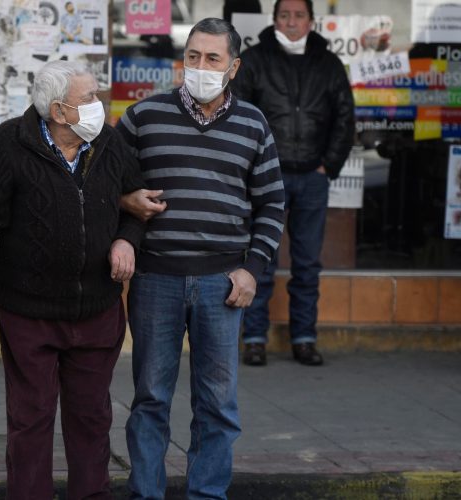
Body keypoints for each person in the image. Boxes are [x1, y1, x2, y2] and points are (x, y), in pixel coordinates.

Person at [116, 18, 285, 499]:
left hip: (222, 284)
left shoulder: (253, 123)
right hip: (155, 280)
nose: (201, 67)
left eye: (213, 59)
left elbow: (272, 202)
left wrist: (253, 269)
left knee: (217, 405)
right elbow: (107, 179)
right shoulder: (143, 117)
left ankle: (206, 494)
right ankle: (146, 493)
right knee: (150, 400)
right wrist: (127, 201)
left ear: (233, 67)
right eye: (193, 56)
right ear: (182, 59)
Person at [0, 60, 145, 499]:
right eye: (89, 99)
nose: (99, 106)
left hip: (97, 309)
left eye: (98, 96)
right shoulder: (8, 143)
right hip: (30, 311)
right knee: (30, 420)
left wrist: (127, 241)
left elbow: (135, 206)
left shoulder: (108, 141)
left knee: (92, 419)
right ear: (59, 112)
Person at [231, 0, 355, 367]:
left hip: (312, 177)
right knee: (260, 260)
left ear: (311, 21)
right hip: (269, 177)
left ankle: (304, 336)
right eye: (285, 15)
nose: (292, 22)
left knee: (307, 264)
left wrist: (328, 166)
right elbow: (238, 114)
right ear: (274, 20)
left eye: (299, 16)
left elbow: (345, 117)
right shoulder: (254, 59)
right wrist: (253, 168)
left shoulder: (328, 62)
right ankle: (254, 337)